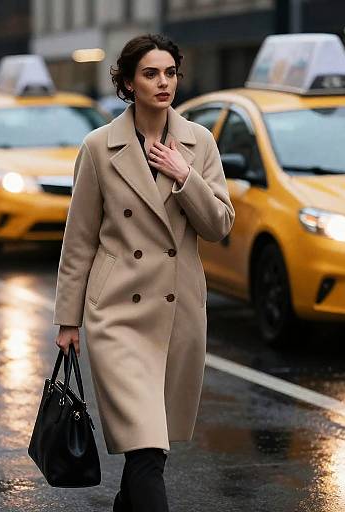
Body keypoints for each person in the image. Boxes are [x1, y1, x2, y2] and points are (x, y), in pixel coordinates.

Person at [53, 34, 235, 511]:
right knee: (148, 448)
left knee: (151, 449)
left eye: (170, 72)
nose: (163, 82)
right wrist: (68, 320)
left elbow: (218, 226)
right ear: (128, 82)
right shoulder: (98, 147)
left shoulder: (199, 143)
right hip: (118, 314)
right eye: (151, 74)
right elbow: (80, 239)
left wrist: (184, 175)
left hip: (178, 312)